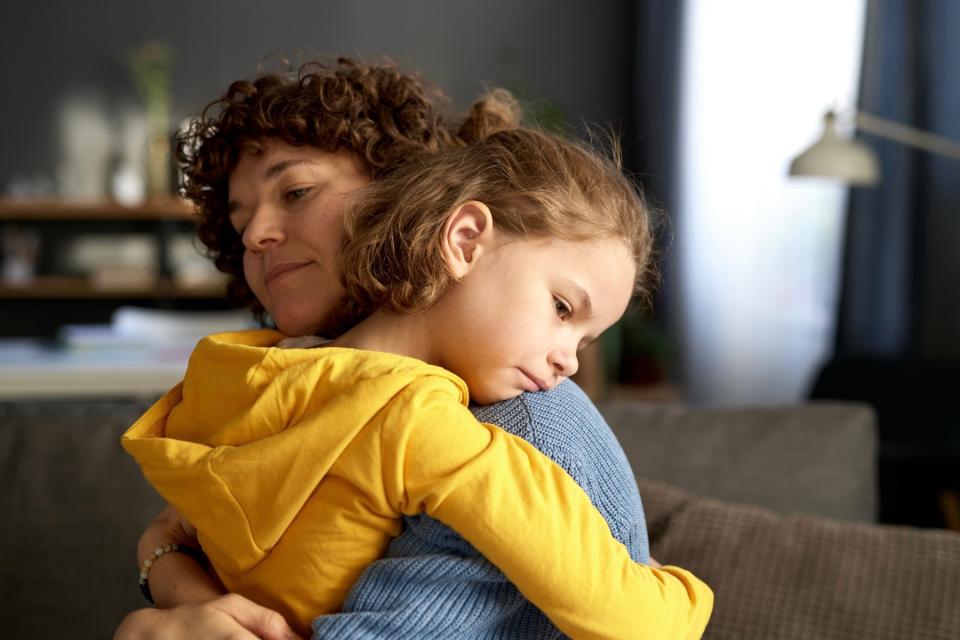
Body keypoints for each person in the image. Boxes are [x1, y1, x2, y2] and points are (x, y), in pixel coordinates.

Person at [114, 58, 674, 640]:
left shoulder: (523, 415)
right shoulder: (274, 374)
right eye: (241, 222)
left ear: (404, 193)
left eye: (297, 191)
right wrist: (175, 579)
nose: (256, 235)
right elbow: (187, 532)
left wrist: (166, 596)